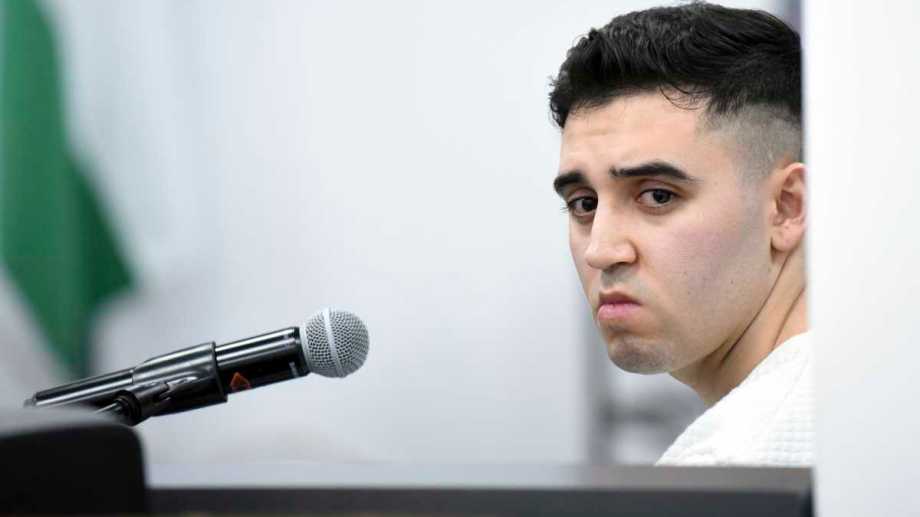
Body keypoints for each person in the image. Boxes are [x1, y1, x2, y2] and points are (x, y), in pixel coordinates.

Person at [549, 2, 810, 466]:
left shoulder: (731, 463)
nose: (601, 251)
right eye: (584, 204)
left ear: (786, 207)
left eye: (657, 196)